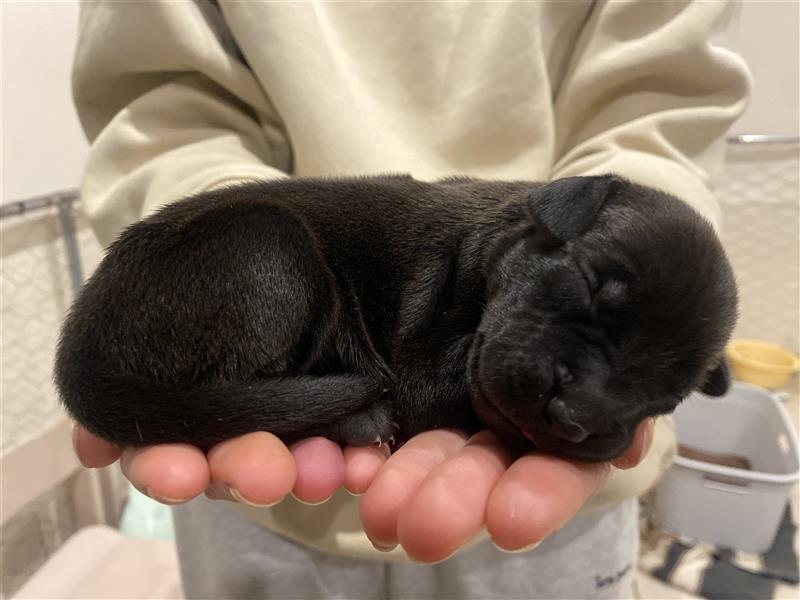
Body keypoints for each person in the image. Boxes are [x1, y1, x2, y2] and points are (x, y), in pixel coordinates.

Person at [70, 1, 750, 597]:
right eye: (584, 304)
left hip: (558, 536)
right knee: (266, 248)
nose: (581, 412)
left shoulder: (577, 242)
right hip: (220, 340)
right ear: (547, 219)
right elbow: (161, 109)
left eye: (646, 398)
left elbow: (667, 108)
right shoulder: (451, 248)